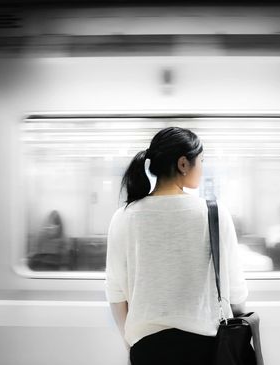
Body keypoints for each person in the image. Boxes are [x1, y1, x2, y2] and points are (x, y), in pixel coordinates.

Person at [105, 126, 248, 365]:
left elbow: (116, 292)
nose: (202, 168)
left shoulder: (124, 216)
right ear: (183, 164)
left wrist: (130, 344)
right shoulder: (214, 213)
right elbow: (235, 291)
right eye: (201, 161)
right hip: (206, 348)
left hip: (147, 350)